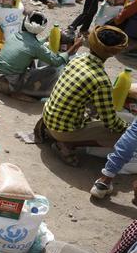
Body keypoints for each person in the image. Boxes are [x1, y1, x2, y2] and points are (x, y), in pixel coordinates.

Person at [41, 26, 128, 166]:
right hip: (61, 130)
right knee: (122, 135)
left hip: (48, 116)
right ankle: (67, 145)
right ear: (113, 53)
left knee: (94, 109)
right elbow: (111, 122)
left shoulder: (79, 59)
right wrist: (128, 128)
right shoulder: (101, 80)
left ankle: (64, 139)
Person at [0, 12, 83, 100]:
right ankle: (20, 92)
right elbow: (57, 61)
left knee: (30, 60)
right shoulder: (36, 47)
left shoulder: (15, 36)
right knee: (53, 71)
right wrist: (75, 46)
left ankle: (20, 88)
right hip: (8, 84)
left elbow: (29, 46)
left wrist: (47, 38)